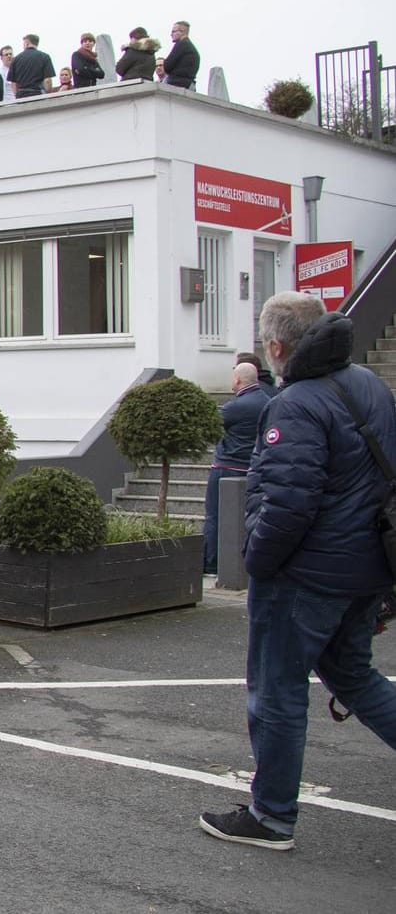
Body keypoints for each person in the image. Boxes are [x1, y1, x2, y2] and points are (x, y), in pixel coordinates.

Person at [199, 292, 396, 851]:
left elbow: (288, 506)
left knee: (278, 690)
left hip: (305, 577)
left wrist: (255, 561)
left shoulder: (296, 404)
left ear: (277, 345)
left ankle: (271, 817)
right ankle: (272, 812)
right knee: (356, 677)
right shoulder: (368, 386)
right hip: (366, 568)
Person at [202, 361, 270, 574]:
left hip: (226, 467)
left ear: (238, 380)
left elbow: (210, 428)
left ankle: (211, 563)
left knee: (214, 516)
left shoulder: (234, 407)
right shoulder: (269, 402)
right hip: (252, 468)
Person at [165, 20, 201, 90]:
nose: (171, 34)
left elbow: (167, 66)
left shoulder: (182, 44)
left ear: (182, 31)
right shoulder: (190, 47)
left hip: (178, 85)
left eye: (173, 31)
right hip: (188, 84)